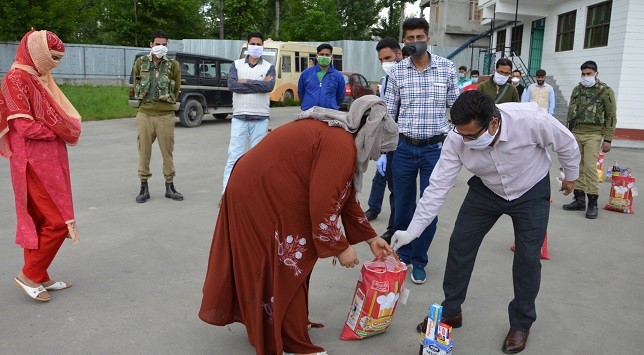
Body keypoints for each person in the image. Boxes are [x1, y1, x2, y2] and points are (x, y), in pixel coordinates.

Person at [199, 95, 397, 355]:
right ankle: (289, 341)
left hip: (260, 187)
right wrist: (340, 246)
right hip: (256, 194)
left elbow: (344, 195)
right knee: (286, 263)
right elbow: (323, 206)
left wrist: (371, 238)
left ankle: (281, 325)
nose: (378, 155)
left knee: (288, 261)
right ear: (370, 135)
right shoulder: (340, 145)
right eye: (381, 148)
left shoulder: (340, 136)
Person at [390, 90, 581, 354]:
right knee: (460, 244)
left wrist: (571, 176)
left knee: (527, 256)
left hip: (531, 189)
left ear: (493, 122)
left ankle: (521, 323)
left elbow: (567, 143)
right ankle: (451, 311)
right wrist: (412, 231)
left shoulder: (529, 119)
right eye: (461, 134)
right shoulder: (456, 138)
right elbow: (437, 187)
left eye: (471, 135)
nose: (465, 140)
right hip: (486, 190)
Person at [0, 29, 82, 302]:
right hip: (31, 160)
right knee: (58, 220)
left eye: (59, 59)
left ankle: (41, 274)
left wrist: (58, 128)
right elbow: (23, 126)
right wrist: (58, 130)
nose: (55, 64)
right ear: (36, 53)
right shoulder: (15, 79)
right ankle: (30, 274)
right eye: (52, 57)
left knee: (38, 219)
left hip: (46, 157)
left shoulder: (37, 77)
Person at [383, 17, 458, 284]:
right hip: (403, 148)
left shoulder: (447, 69)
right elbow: (389, 114)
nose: (416, 42)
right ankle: (401, 256)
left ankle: (419, 260)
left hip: (434, 151)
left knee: (429, 208)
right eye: (410, 38)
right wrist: (383, 150)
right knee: (402, 206)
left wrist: (456, 146)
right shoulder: (397, 72)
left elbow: (457, 108)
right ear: (404, 41)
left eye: (420, 37)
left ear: (428, 38)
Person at [221, 32, 276, 194]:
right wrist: (258, 84)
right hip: (239, 118)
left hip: (260, 119)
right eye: (253, 44)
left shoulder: (268, 67)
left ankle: (254, 194)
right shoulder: (236, 65)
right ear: (247, 45)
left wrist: (245, 81)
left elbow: (268, 87)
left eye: (259, 44)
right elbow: (232, 86)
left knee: (257, 159)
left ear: (263, 47)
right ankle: (227, 193)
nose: (256, 47)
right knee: (234, 157)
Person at [132, 30, 183, 203]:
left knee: (167, 152)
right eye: (157, 44)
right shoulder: (141, 62)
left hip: (165, 116)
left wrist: (166, 104)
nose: (161, 47)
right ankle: (143, 187)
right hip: (145, 114)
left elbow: (175, 90)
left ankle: (170, 186)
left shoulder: (173, 65)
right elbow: (136, 82)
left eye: (164, 44)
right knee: (144, 152)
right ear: (151, 44)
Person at [563, 60, 616, 219]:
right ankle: (579, 200)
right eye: (583, 74)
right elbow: (570, 113)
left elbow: (611, 116)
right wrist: (567, 133)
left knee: (590, 167)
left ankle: (592, 202)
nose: (586, 77)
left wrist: (608, 139)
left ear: (596, 74)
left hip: (594, 134)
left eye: (589, 74)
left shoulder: (605, 91)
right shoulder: (577, 90)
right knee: (576, 165)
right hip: (576, 132)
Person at [364, 37, 403, 242]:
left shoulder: (408, 77)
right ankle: (373, 208)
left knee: (397, 188)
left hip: (404, 139)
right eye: (381, 60)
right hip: (387, 138)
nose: (384, 63)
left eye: (387, 58)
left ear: (399, 54)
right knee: (380, 176)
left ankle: (394, 228)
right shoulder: (385, 80)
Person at [298, 43, 345, 111]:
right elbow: (301, 92)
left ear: (331, 56)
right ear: (317, 55)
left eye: (327, 55)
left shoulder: (338, 76)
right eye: (322, 54)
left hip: (329, 114)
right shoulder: (306, 73)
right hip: (308, 113)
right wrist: (307, 104)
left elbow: (340, 97)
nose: (324, 56)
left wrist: (331, 105)